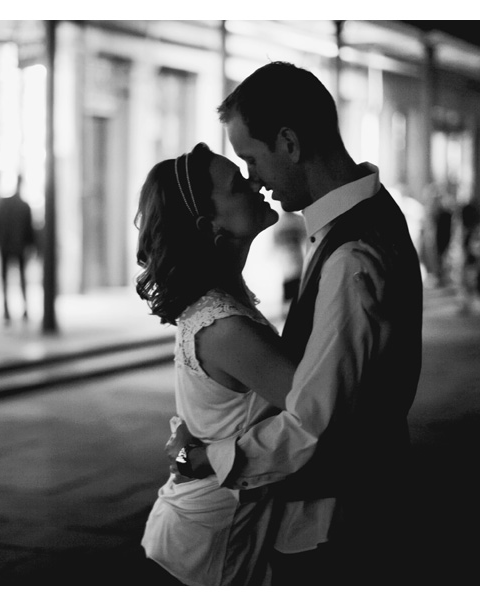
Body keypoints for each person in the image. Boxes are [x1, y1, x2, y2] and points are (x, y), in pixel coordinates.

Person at [169, 61, 423, 585]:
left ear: (288, 142)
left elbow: (314, 423)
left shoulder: (351, 256)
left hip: (336, 525)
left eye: (251, 159)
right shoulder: (372, 214)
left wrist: (212, 456)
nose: (254, 180)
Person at [135, 142, 296, 585]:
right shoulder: (225, 326)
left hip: (197, 527)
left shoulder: (219, 303)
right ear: (211, 226)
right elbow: (321, 413)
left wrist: (196, 451)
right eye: (237, 185)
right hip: (207, 545)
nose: (256, 183)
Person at [0, 175, 36, 325]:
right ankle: (22, 309)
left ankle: (7, 310)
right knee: (21, 279)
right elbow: (29, 230)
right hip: (18, 246)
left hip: (7, 246)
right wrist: (31, 246)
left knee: (7, 279)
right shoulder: (23, 206)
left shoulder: (5, 204)